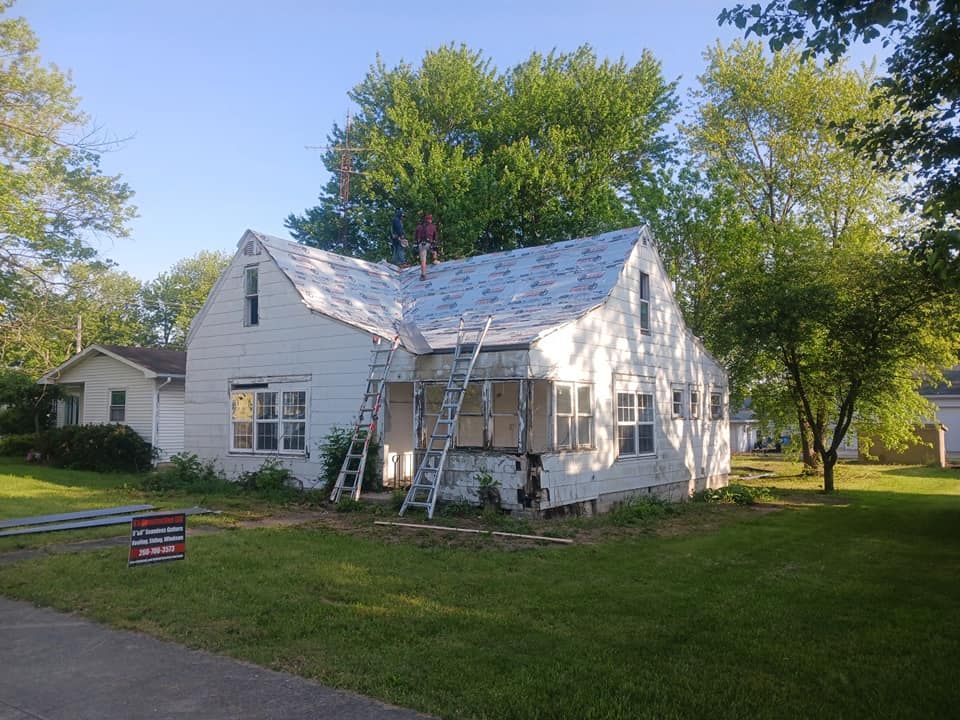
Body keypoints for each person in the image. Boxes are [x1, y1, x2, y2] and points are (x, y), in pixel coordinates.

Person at [414, 213, 439, 279]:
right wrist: (435, 243)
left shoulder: (419, 227)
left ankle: (423, 275)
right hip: (429, 244)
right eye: (430, 219)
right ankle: (434, 260)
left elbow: (415, 237)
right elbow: (435, 237)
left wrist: (416, 245)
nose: (430, 220)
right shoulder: (433, 226)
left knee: (423, 260)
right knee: (434, 250)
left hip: (421, 244)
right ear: (430, 220)